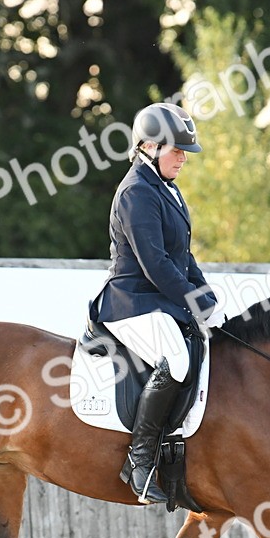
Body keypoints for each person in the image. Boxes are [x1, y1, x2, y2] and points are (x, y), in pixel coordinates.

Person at [89, 103, 225, 505]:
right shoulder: (136, 192)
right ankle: (140, 458)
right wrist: (194, 303)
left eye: (184, 152)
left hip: (159, 301)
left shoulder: (167, 188)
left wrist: (208, 299)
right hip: (132, 302)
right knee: (177, 361)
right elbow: (155, 264)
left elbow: (182, 256)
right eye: (176, 150)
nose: (183, 158)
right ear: (149, 146)